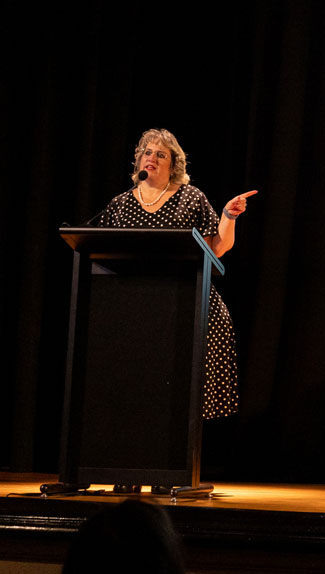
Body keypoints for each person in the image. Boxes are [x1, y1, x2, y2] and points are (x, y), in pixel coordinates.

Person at [97, 128, 256, 422]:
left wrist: (229, 217)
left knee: (180, 397)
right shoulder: (120, 204)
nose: (152, 159)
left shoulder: (190, 197)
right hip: (134, 307)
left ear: (174, 164)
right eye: (147, 152)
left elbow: (217, 248)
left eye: (161, 155)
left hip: (185, 301)